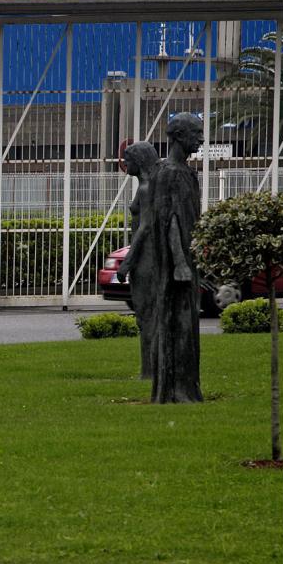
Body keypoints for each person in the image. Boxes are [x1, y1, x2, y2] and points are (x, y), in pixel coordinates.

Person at [148, 113, 204, 404]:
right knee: (177, 324)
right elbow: (168, 220)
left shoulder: (188, 173)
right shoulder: (168, 173)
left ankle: (186, 386)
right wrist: (180, 262)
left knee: (188, 325)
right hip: (174, 266)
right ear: (180, 136)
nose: (202, 139)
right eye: (196, 133)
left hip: (187, 261)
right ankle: (175, 389)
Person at [116, 141, 160, 382]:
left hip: (146, 258)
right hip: (145, 256)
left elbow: (144, 228)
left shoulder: (146, 188)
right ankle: (149, 369)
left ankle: (149, 370)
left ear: (140, 161)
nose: (125, 163)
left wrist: (127, 263)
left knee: (146, 315)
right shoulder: (147, 186)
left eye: (128, 159)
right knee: (146, 315)